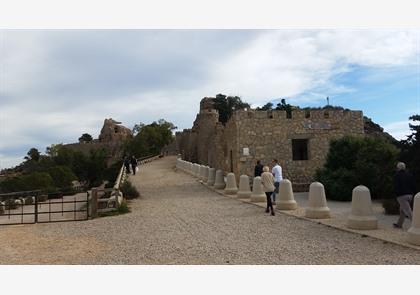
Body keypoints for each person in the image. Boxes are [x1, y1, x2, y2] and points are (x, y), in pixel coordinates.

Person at [393, 162, 416, 229]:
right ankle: (399, 224)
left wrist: (396, 194)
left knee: (408, 211)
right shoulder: (409, 175)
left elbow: (396, 186)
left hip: (402, 196)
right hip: (410, 195)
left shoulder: (397, 175)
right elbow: (413, 185)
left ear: (398, 168)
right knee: (402, 210)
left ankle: (416, 225)